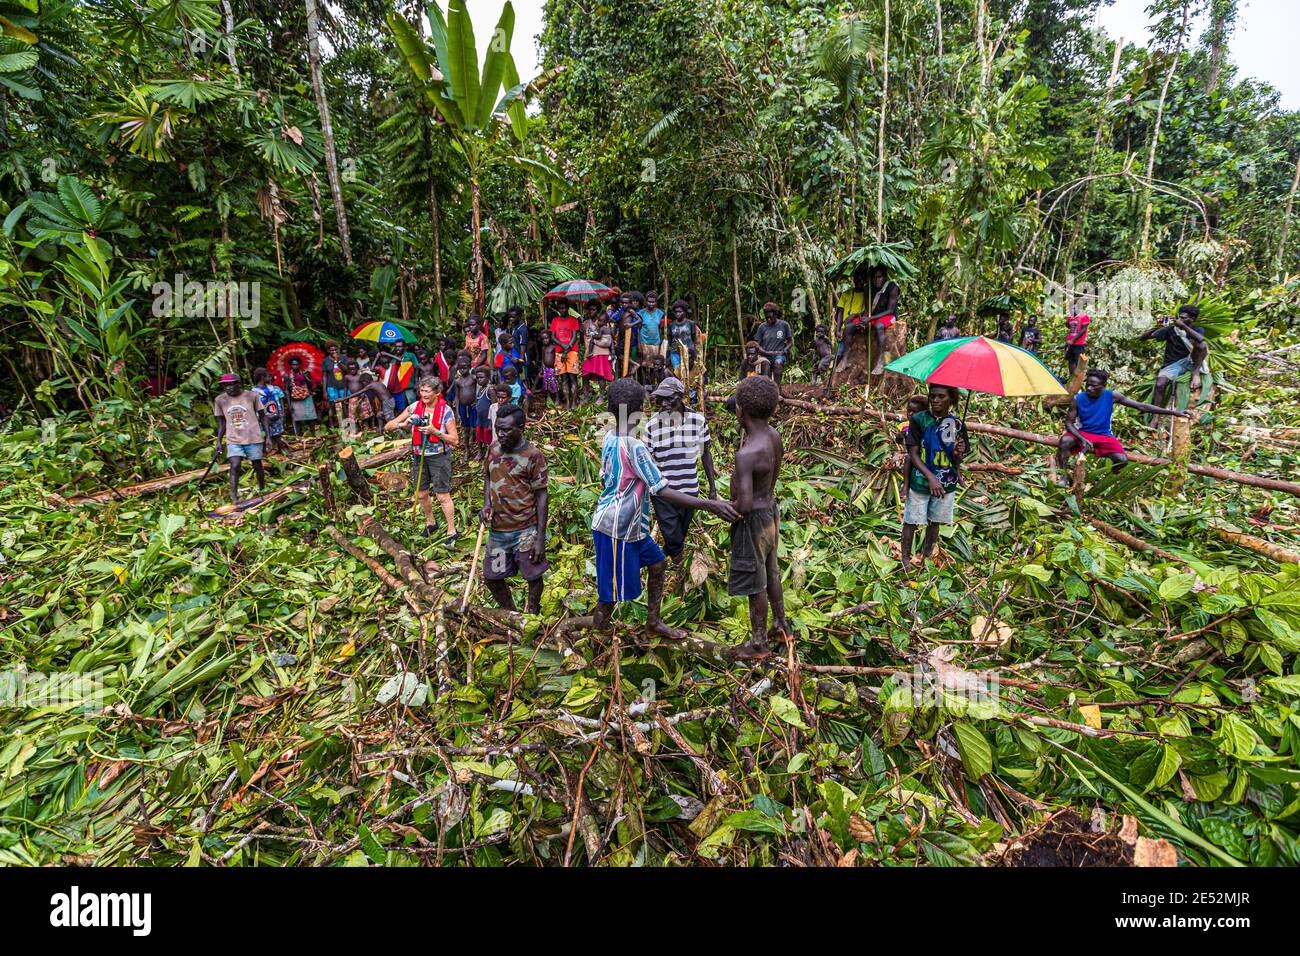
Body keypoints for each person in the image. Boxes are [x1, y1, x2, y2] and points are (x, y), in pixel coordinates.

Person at [590, 378, 738, 640]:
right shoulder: (635, 446)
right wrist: (710, 504)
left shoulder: (610, 438)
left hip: (632, 526)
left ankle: (653, 622)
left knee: (658, 564)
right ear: (639, 409)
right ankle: (597, 636)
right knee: (609, 597)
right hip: (615, 528)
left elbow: (606, 477)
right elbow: (661, 489)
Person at [725, 375, 788, 661]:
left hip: (753, 521)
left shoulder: (746, 454)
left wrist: (722, 506)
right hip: (771, 512)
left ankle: (759, 642)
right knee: (771, 570)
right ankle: (781, 624)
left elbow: (745, 504)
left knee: (756, 581)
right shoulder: (773, 435)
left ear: (740, 410)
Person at [1056, 368, 1191, 477]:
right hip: (1083, 432)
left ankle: (1107, 477)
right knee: (1065, 442)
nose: (1089, 388)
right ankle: (1062, 475)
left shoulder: (1112, 396)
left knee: (1122, 460)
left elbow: (1142, 406)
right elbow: (1069, 423)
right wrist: (1082, 438)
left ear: (1103, 386)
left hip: (1103, 435)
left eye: (1094, 386)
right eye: (1088, 384)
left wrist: (1176, 412)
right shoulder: (1078, 399)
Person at [480, 403, 549, 614]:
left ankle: (532, 614)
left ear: (521, 427)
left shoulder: (533, 456)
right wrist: (486, 504)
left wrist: (539, 537)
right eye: (497, 428)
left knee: (532, 575)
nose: (500, 434)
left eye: (506, 430)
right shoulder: (493, 449)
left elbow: (542, 495)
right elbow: (488, 477)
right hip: (499, 532)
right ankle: (511, 614)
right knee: (494, 577)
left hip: (525, 531)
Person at [645, 376, 717, 566]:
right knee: (673, 536)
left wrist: (713, 488)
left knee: (680, 533)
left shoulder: (698, 421)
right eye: (661, 399)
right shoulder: (652, 425)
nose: (664, 403)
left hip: (689, 490)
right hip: (664, 492)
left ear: (681, 397)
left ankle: (665, 557)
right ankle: (676, 564)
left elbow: (706, 455)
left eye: (669, 398)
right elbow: (647, 461)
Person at [384, 379, 460, 544]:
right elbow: (388, 426)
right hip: (419, 455)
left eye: (427, 391)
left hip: (439, 456)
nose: (424, 395)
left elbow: (455, 440)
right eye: (422, 391)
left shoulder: (446, 411)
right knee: (421, 493)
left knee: (442, 495)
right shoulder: (414, 408)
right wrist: (403, 424)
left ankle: (452, 530)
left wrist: (435, 432)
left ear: (437, 392)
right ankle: (430, 522)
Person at [902, 384, 968, 568]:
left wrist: (959, 453)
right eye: (933, 396)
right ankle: (905, 560)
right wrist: (931, 477)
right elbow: (913, 453)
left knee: (935, 522)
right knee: (911, 520)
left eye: (941, 397)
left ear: (951, 400)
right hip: (921, 480)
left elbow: (958, 458)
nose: (936, 400)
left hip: (946, 482)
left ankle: (927, 558)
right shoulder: (919, 420)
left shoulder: (957, 424)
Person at [214, 372, 268, 506]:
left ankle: (263, 489)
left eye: (232, 384)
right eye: (226, 385)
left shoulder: (251, 396)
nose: (229, 388)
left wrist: (268, 436)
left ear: (239, 384)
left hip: (253, 437)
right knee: (235, 465)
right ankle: (234, 497)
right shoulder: (220, 400)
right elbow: (221, 423)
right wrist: (219, 441)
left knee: (257, 465)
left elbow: (262, 416)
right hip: (233, 439)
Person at [1141, 304, 1207, 410]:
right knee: (1160, 384)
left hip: (1191, 361)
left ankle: (1196, 374)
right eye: (1179, 317)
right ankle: (1155, 415)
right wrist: (1157, 326)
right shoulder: (1171, 330)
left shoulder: (1197, 330)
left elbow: (1201, 339)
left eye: (1183, 318)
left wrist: (1183, 326)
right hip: (1172, 364)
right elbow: (1142, 338)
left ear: (1192, 318)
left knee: (1202, 345)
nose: (1180, 319)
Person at [751, 302, 793, 384]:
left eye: (770, 317)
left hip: (779, 355)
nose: (768, 319)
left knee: (778, 363)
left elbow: (790, 342)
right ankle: (768, 390)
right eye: (767, 318)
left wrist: (785, 350)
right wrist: (766, 352)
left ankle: (777, 390)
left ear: (775, 314)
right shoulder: (762, 327)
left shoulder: (784, 325)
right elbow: (757, 345)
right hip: (765, 355)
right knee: (765, 366)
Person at [549, 307, 582, 410]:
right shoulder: (555, 320)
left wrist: (567, 349)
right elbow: (553, 337)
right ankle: (567, 402)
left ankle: (574, 402)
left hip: (572, 351)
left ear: (567, 308)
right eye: (560, 307)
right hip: (559, 351)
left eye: (563, 307)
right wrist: (563, 346)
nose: (562, 310)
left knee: (573, 378)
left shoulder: (573, 320)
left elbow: (574, 336)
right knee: (563, 379)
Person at [251, 367, 288, 455]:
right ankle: (268, 453)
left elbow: (279, 401)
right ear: (262, 378)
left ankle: (281, 451)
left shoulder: (273, 389)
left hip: (276, 415)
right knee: (266, 437)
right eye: (268, 376)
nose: (270, 377)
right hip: (263, 418)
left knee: (278, 435)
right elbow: (254, 407)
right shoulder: (254, 392)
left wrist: (281, 413)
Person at [582, 313, 615, 401]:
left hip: (602, 353)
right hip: (591, 353)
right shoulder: (586, 323)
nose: (592, 311)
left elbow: (611, 341)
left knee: (601, 375)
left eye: (595, 310)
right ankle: (586, 397)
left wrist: (612, 353)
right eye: (591, 310)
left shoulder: (605, 327)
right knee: (585, 374)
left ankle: (601, 397)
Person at [285, 356, 318, 435]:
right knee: (297, 419)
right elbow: (287, 390)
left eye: (297, 364)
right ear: (290, 365)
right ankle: (298, 437)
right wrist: (289, 405)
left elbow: (310, 386)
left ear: (300, 365)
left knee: (311, 418)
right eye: (293, 364)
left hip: (306, 397)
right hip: (295, 399)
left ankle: (313, 434)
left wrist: (305, 377)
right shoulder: (287, 376)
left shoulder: (305, 373)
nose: (295, 366)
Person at [666, 299, 699, 374]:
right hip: (675, 353)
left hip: (689, 352)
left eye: (680, 312)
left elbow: (694, 339)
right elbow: (670, 340)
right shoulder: (671, 325)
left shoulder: (691, 324)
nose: (678, 314)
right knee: (677, 373)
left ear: (684, 312)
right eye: (676, 312)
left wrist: (694, 354)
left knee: (688, 373)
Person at [451, 353, 478, 441]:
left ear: (470, 367)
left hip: (473, 406)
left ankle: (472, 437)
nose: (462, 370)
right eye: (460, 368)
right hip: (463, 406)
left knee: (474, 426)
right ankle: (467, 447)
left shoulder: (474, 378)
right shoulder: (457, 381)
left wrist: (477, 401)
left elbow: (479, 390)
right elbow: (457, 397)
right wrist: (457, 412)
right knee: (465, 427)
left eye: (465, 367)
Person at [322, 342, 348, 424]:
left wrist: (338, 361)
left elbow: (347, 370)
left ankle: (346, 424)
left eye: (335, 349)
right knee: (332, 405)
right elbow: (324, 376)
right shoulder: (325, 361)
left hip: (343, 386)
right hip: (331, 387)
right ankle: (332, 425)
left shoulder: (343, 358)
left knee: (344, 405)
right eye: (331, 350)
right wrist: (324, 391)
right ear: (328, 351)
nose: (334, 351)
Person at [1064, 302, 1091, 378]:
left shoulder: (1084, 316)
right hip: (1070, 343)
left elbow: (1083, 330)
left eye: (1074, 308)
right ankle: (1071, 378)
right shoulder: (1071, 317)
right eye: (1071, 308)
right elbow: (1068, 325)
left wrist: (1073, 340)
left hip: (1079, 344)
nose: (1073, 309)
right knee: (1070, 361)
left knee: (1078, 363)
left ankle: (1078, 379)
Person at [473, 366, 494, 459]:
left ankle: (488, 452)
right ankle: (480, 451)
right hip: (479, 418)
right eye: (477, 378)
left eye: (481, 377)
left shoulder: (490, 389)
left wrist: (491, 422)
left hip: (487, 419)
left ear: (488, 378)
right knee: (478, 435)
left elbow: (494, 407)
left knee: (487, 437)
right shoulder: (479, 389)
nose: (479, 380)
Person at [639, 290, 666, 363]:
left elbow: (659, 329)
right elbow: (638, 329)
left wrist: (660, 343)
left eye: (653, 302)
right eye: (649, 301)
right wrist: (639, 345)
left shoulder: (660, 313)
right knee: (644, 365)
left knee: (654, 365)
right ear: (646, 302)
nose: (651, 304)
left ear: (656, 302)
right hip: (644, 343)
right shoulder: (641, 313)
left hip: (655, 343)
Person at [509, 306, 530, 383]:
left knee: (523, 379)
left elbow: (523, 345)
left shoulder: (522, 329)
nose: (511, 319)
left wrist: (521, 361)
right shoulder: (514, 326)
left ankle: (526, 393)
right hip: (516, 356)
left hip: (521, 358)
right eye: (510, 317)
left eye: (513, 317)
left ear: (519, 316)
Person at [539, 330, 560, 407]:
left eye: (546, 338)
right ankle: (549, 399)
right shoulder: (543, 348)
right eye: (543, 339)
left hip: (553, 369)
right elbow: (542, 358)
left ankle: (557, 399)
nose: (545, 340)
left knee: (555, 384)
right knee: (546, 384)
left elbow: (557, 358)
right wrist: (542, 368)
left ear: (551, 338)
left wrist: (557, 368)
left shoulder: (554, 347)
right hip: (546, 369)